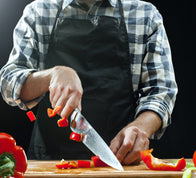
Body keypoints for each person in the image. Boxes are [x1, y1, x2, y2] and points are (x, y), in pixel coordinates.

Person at [0, 0, 177, 165]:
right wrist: (52, 75)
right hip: (49, 163)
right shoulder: (39, 12)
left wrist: (140, 127)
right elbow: (8, 81)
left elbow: (161, 91)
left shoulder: (144, 15)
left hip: (122, 159)